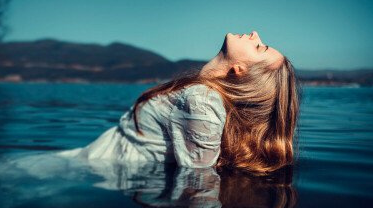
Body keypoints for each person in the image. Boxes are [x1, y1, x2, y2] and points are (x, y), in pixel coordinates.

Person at [57, 31, 302, 174]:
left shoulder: (203, 100)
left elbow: (197, 181)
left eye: (259, 46)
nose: (254, 34)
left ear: (239, 70)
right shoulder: (202, 96)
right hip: (81, 164)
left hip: (82, 171)